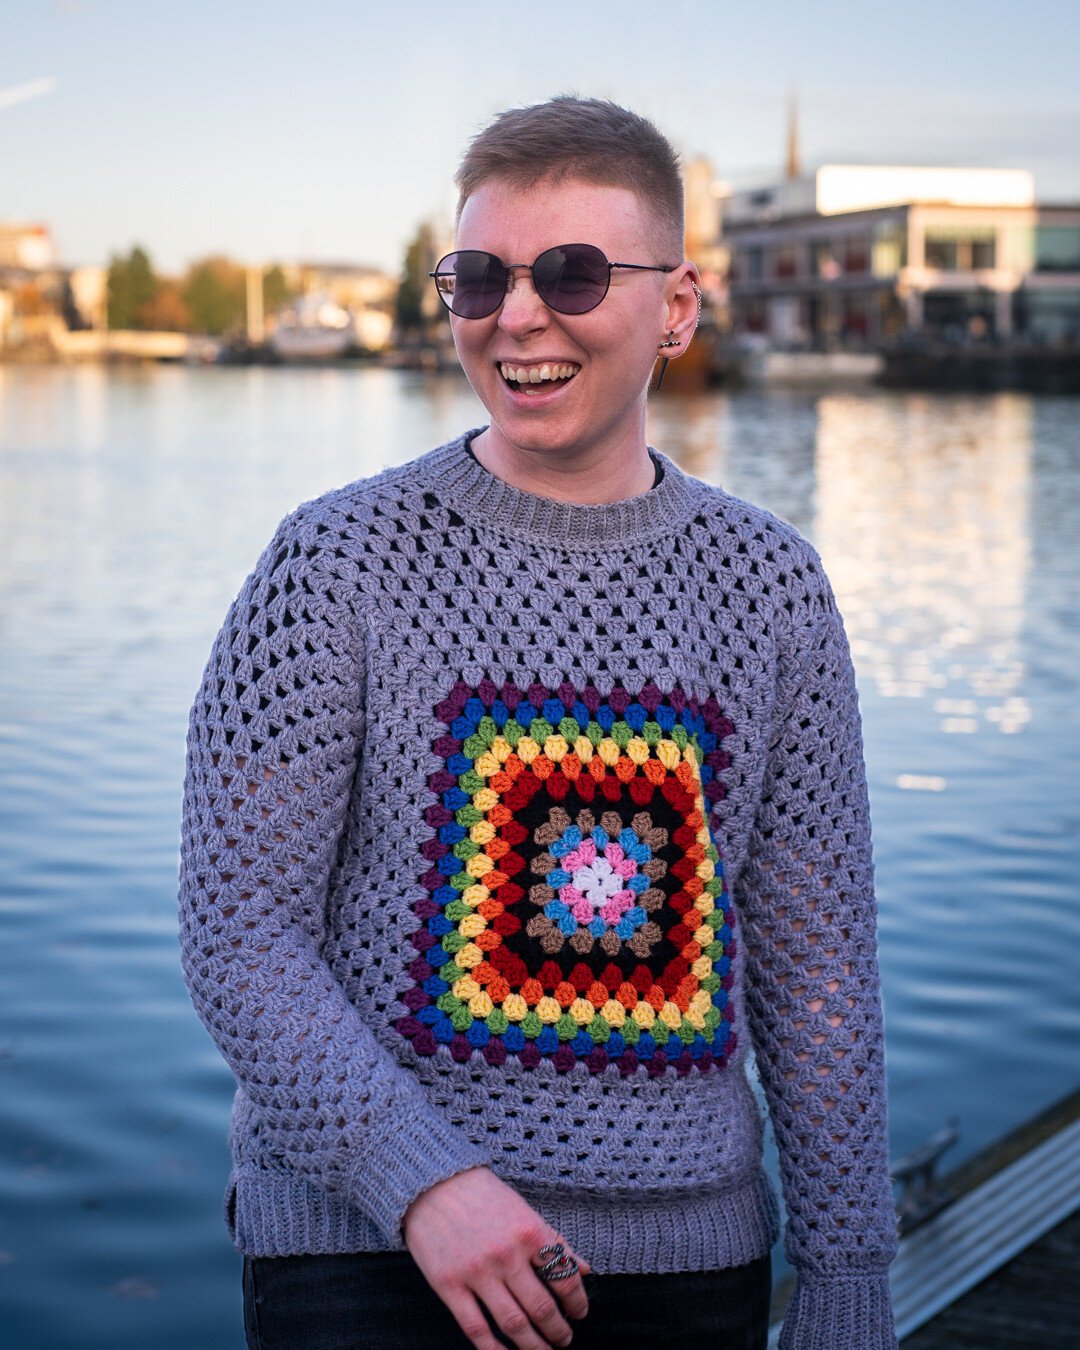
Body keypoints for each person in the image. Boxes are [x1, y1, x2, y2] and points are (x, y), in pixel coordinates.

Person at [179, 96, 898, 1350]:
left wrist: (846, 1278)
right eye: (479, 277)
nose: (519, 314)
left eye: (571, 272)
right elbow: (239, 933)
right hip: (363, 1255)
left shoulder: (773, 588)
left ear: (676, 306)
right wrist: (426, 1182)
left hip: (684, 1262)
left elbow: (818, 967)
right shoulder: (331, 565)